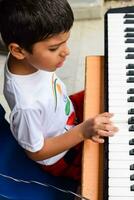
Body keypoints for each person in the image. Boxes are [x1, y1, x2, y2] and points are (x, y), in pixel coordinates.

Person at [0, 0, 118, 181]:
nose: (66, 52)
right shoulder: (27, 106)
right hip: (63, 155)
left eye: (66, 42)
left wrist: (81, 127)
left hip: (65, 112)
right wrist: (81, 132)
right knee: (110, 170)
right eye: (54, 48)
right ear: (17, 50)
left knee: (112, 89)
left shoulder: (27, 57)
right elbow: (37, 152)